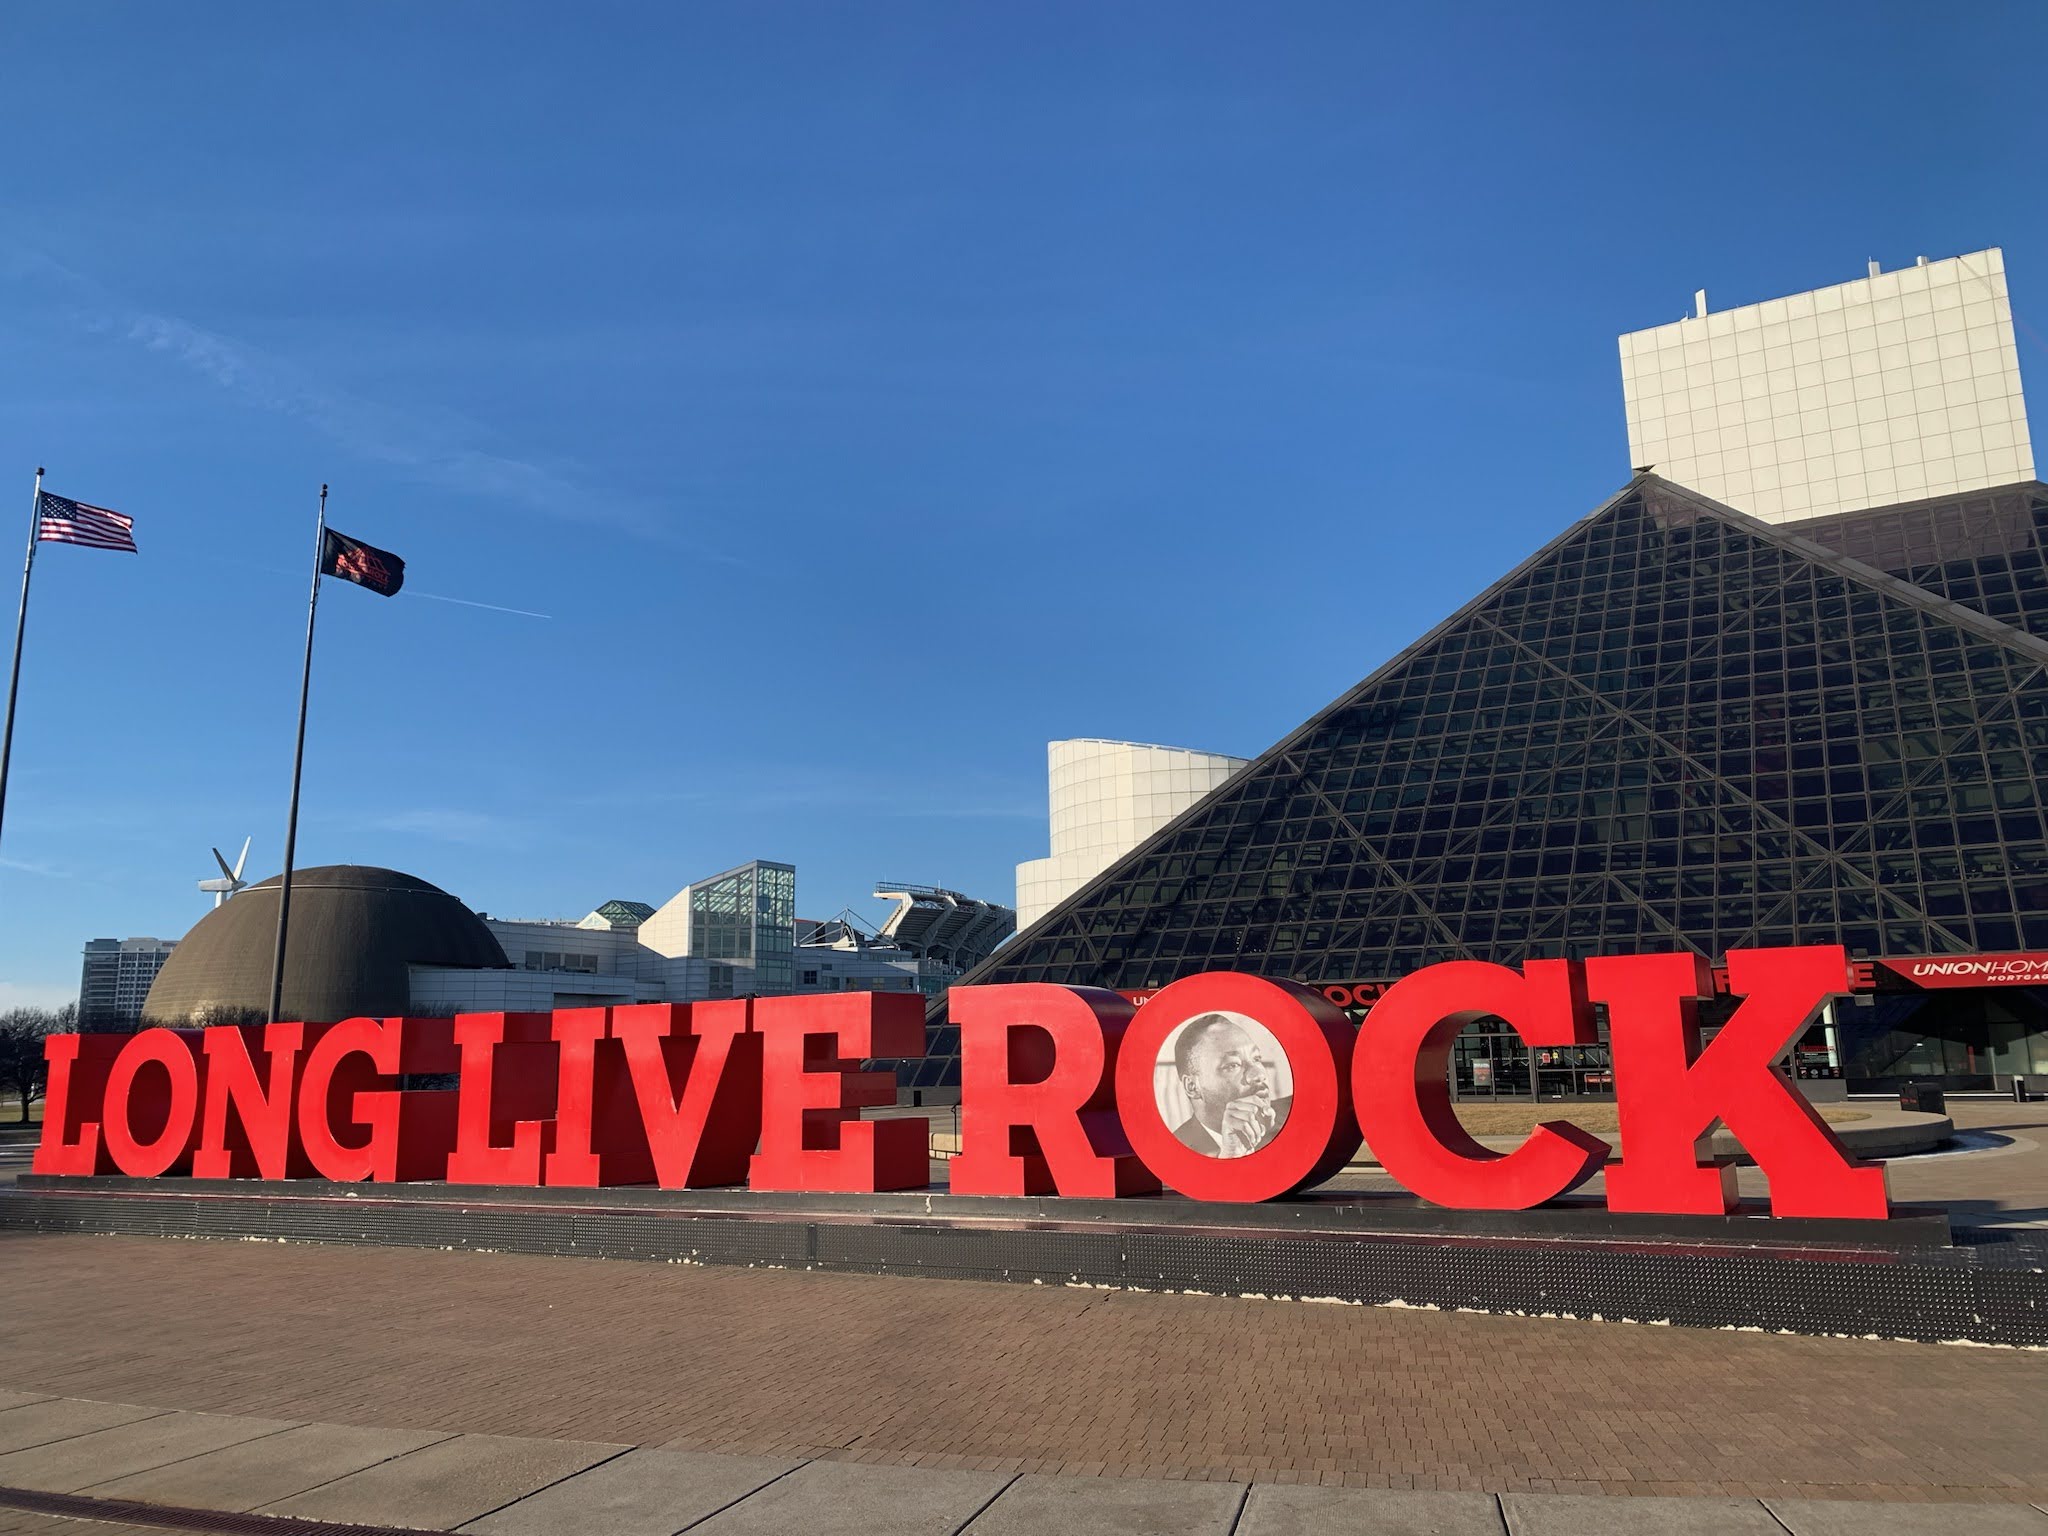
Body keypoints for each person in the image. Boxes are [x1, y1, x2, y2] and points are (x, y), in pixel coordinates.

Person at [1169, 1013, 1289, 1157]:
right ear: (1192, 1087)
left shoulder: (1293, 1113)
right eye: (1232, 1065)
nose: (1259, 1074)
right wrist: (1231, 1156)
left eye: (1256, 1058)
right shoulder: (1174, 1152)